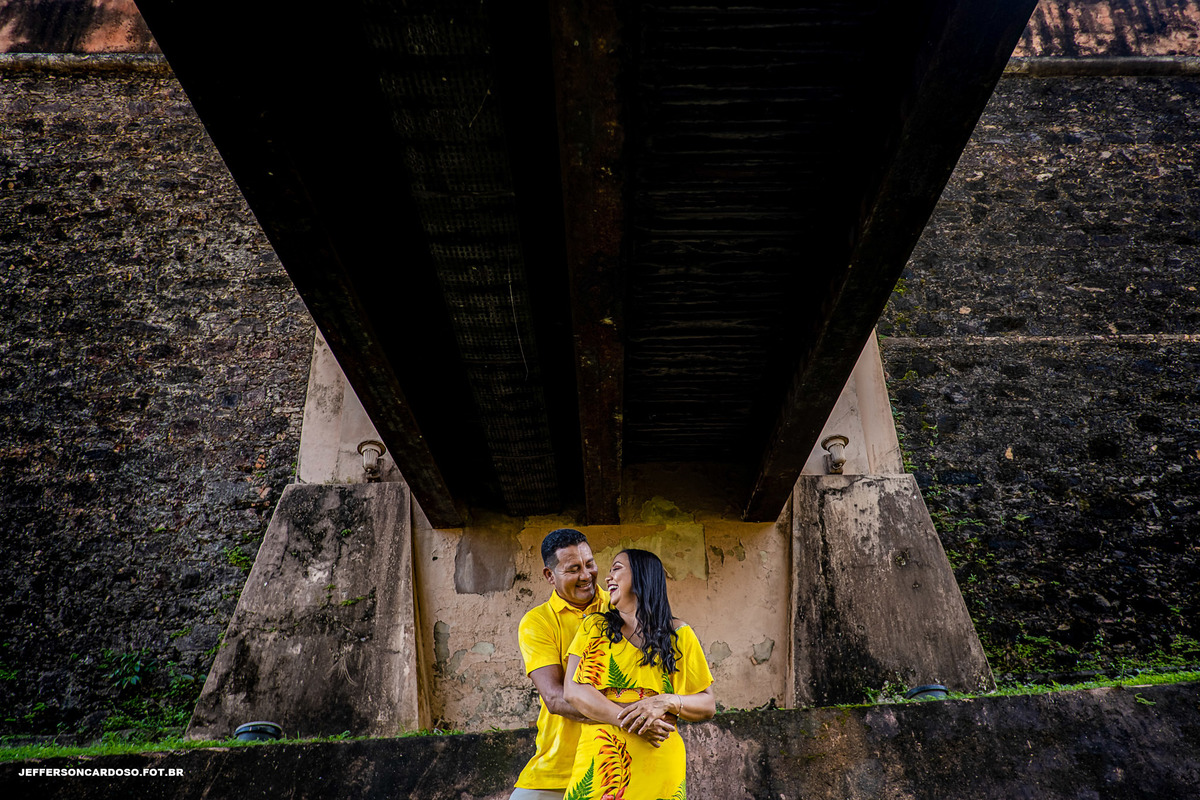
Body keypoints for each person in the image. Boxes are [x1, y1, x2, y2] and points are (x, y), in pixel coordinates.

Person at [512, 530, 677, 800]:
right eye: (574, 569)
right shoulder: (537, 622)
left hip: (619, 761)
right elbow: (554, 698)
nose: (587, 575)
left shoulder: (619, 604)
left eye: (590, 564)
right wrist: (638, 718)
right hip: (558, 767)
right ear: (549, 576)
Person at [562, 548, 715, 800]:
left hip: (660, 760)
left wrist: (666, 701)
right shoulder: (593, 627)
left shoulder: (680, 634)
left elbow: (707, 704)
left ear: (643, 575)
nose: (608, 577)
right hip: (603, 763)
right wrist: (633, 722)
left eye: (617, 568)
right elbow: (573, 690)